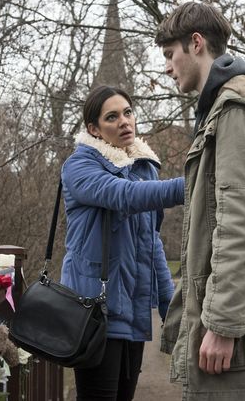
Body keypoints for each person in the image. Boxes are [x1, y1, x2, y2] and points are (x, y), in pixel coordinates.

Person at [155, 2, 245, 400]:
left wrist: (222, 324)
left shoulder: (235, 113)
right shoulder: (221, 111)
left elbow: (244, 223)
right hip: (239, 320)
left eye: (170, 54)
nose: (167, 67)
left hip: (241, 329)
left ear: (196, 43)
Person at [60, 85, 185, 401]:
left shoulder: (143, 167)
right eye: (112, 117)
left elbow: (151, 242)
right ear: (94, 129)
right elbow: (124, 195)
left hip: (133, 310)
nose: (124, 121)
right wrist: (194, 184)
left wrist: (170, 304)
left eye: (128, 112)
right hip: (94, 312)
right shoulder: (79, 166)